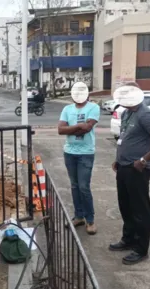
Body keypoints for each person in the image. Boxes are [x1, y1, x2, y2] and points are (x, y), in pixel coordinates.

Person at [110, 82, 150, 265]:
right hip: (124, 167)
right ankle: (128, 239)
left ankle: (141, 249)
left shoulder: (145, 115)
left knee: (140, 210)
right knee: (125, 206)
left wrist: (144, 160)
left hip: (137, 169)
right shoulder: (128, 112)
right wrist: (118, 159)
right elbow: (126, 138)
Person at [58, 83, 100, 235]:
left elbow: (88, 128)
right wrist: (79, 126)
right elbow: (60, 130)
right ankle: (79, 216)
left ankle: (90, 220)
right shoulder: (67, 109)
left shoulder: (93, 107)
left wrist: (71, 128)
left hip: (86, 153)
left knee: (84, 186)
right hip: (69, 152)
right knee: (75, 186)